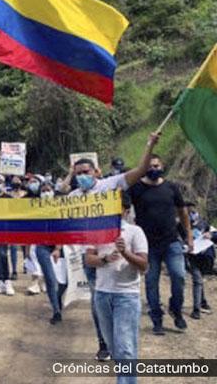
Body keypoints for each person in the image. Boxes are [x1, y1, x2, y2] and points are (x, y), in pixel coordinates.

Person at [72, 131, 159, 361]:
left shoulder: (108, 185)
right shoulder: (72, 197)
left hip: (117, 253)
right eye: (78, 173)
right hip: (91, 255)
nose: (82, 176)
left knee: (116, 301)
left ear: (96, 172)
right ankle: (105, 344)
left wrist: (149, 145)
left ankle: (123, 350)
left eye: (85, 172)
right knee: (97, 302)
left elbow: (140, 171)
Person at [85, 194, 148, 384]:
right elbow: (88, 259)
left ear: (125, 210)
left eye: (116, 206)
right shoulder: (96, 231)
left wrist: (125, 253)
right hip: (102, 295)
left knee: (126, 348)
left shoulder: (135, 232)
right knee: (114, 347)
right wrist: (105, 259)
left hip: (127, 295)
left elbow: (144, 265)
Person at [127, 154, 191, 334]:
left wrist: (189, 236)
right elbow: (123, 209)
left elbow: (183, 212)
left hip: (172, 242)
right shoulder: (136, 189)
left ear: (162, 166)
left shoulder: (171, 187)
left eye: (156, 166)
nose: (153, 169)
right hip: (146, 246)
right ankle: (157, 319)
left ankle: (176, 310)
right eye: (150, 166)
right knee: (151, 282)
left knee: (179, 276)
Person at [34, 181, 67, 324]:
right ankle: (56, 311)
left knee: (65, 281)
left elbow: (63, 229)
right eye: (43, 190)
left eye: (48, 190)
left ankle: (57, 298)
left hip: (61, 246)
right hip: (42, 245)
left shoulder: (61, 208)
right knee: (50, 279)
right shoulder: (35, 209)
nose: (46, 193)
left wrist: (58, 248)